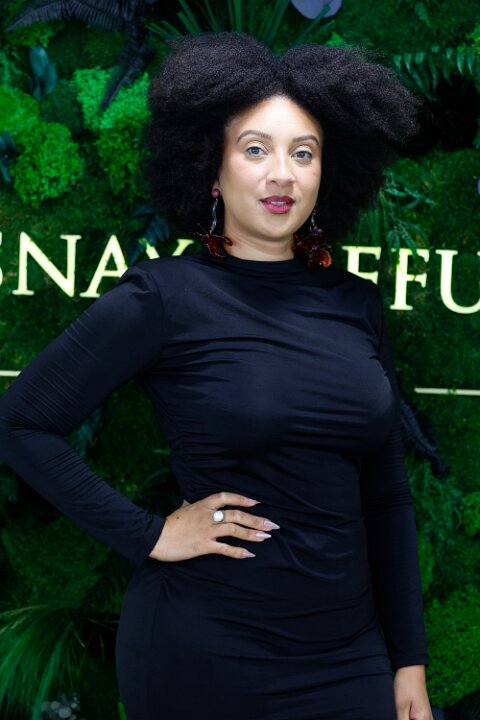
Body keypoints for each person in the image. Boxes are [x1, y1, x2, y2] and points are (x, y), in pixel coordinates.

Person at [0, 31, 433, 720]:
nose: (282, 174)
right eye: (255, 149)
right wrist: (149, 534)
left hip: (349, 656)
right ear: (211, 166)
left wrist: (408, 661)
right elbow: (21, 423)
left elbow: (385, 497)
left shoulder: (356, 303)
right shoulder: (163, 297)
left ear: (328, 173)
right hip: (206, 652)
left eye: (303, 153)